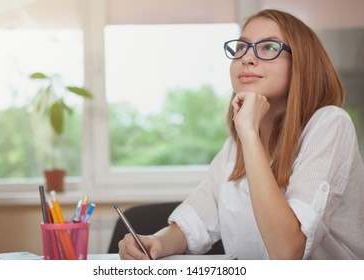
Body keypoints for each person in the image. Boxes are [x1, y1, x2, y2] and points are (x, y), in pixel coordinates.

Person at [118, 9, 364, 260]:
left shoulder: (330, 124)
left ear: (301, 64)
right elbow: (192, 225)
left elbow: (287, 253)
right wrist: (154, 242)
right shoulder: (234, 150)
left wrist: (247, 132)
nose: (247, 57)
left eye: (269, 47)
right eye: (241, 47)